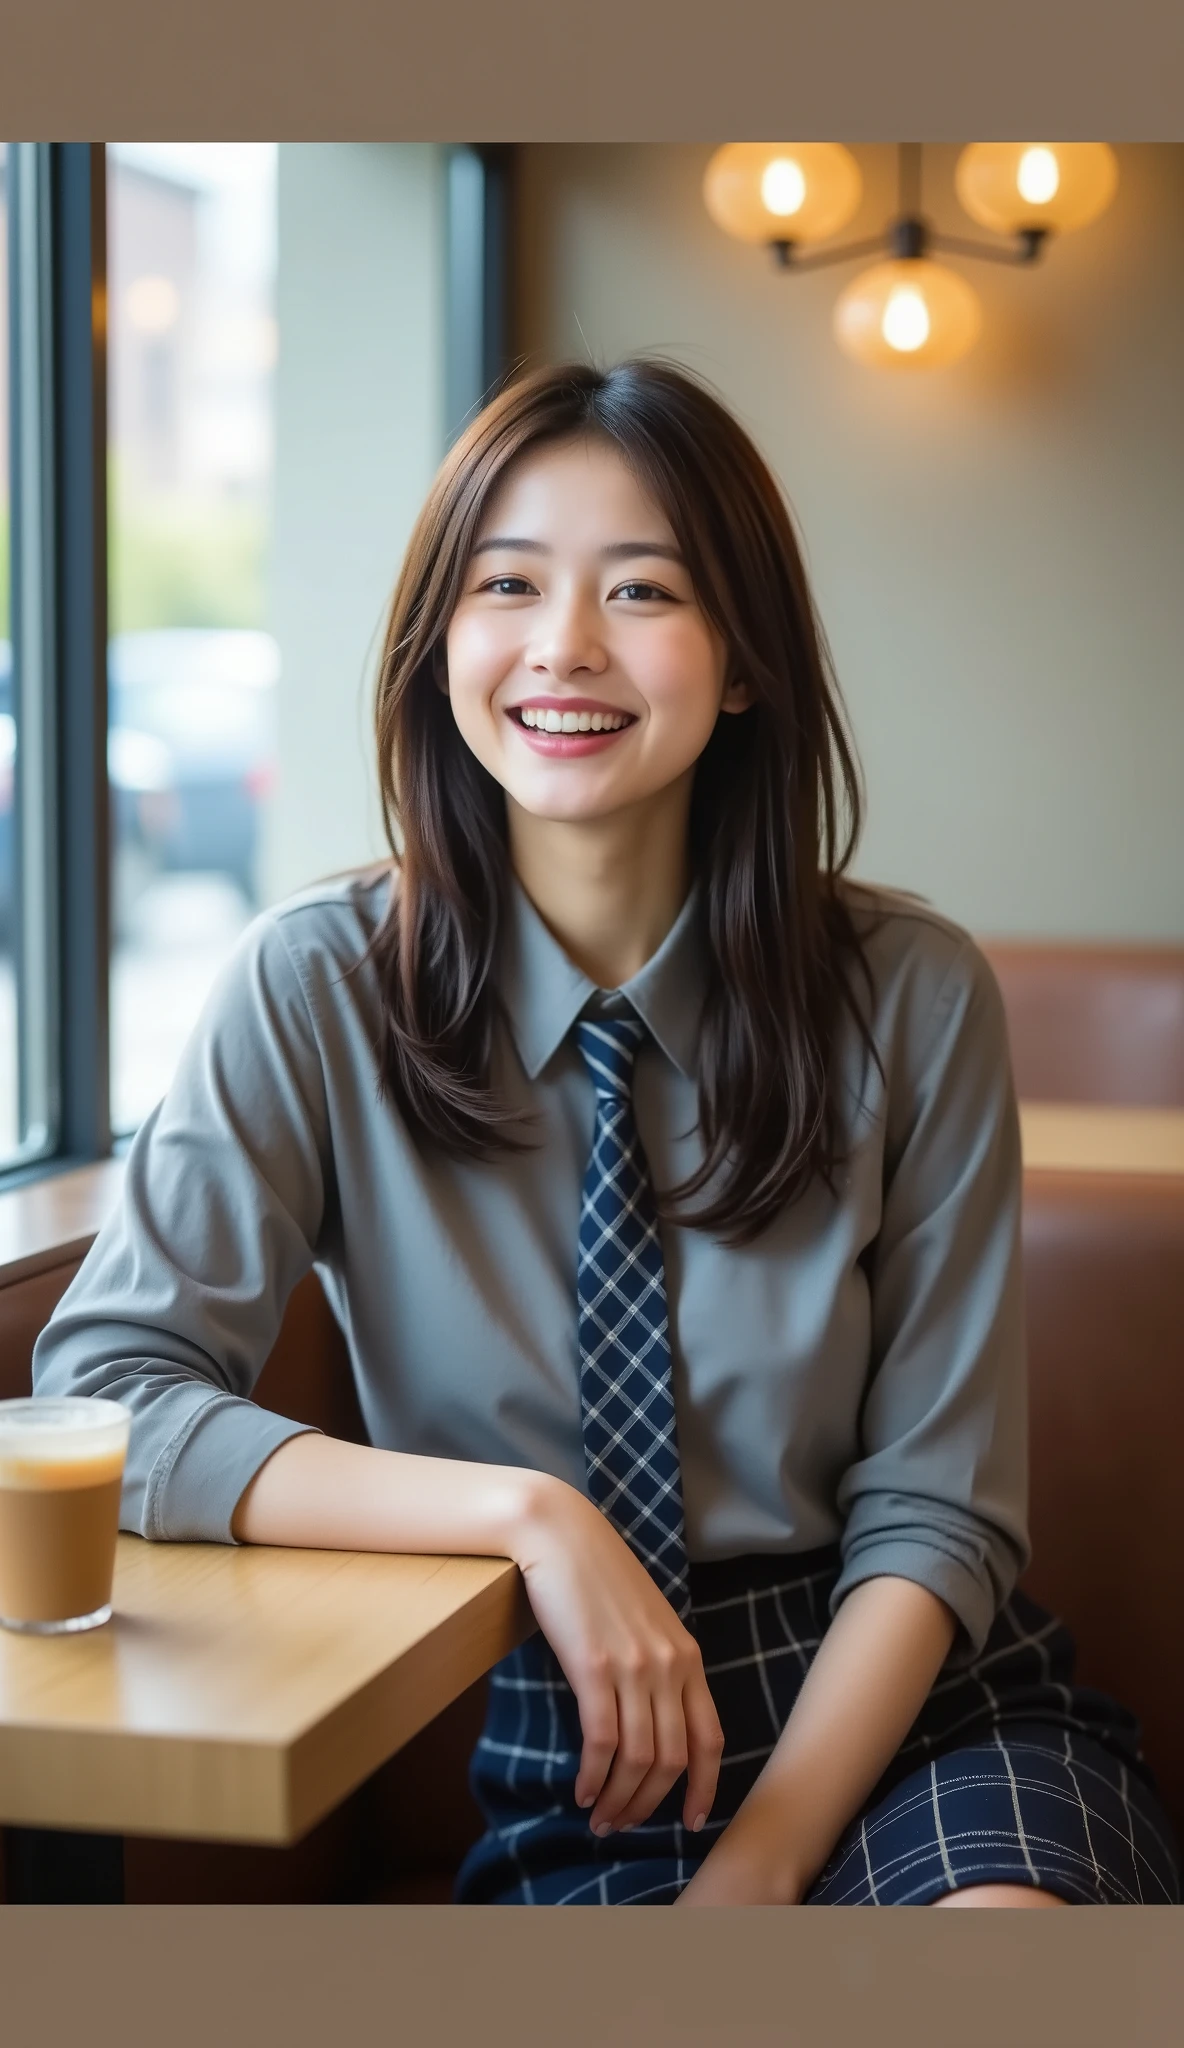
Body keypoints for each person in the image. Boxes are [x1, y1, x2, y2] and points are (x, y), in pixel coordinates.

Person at [33, 357, 1180, 1908]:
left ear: (747, 659)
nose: (563, 646)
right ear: (444, 638)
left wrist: (765, 1866)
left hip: (913, 1709)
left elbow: (939, 1510)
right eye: (506, 583)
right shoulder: (313, 987)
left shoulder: (911, 995)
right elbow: (107, 1386)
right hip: (582, 1732)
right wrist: (530, 1518)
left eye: (642, 591)